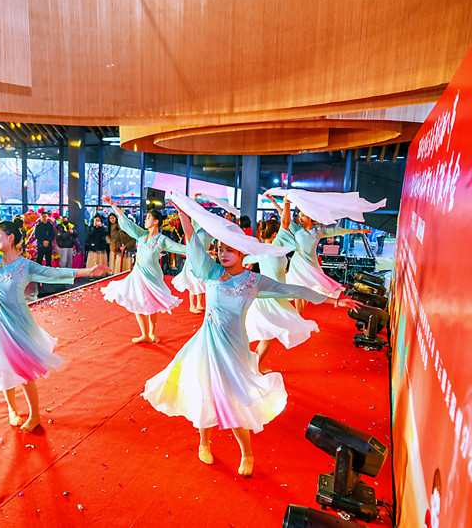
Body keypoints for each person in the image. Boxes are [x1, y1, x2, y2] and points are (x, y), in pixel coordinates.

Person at [142, 196, 362, 476]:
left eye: (229, 250)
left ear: (242, 253)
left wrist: (334, 301)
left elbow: (294, 290)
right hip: (206, 347)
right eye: (220, 249)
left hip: (235, 350)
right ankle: (204, 443)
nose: (222, 254)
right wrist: (184, 215)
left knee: (235, 402)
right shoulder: (211, 272)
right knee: (206, 395)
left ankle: (246, 453)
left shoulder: (253, 282)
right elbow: (193, 243)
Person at [0, 194, 108, 432]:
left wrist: (88, 270)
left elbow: (54, 273)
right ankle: (12, 409)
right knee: (2, 365)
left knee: (23, 369)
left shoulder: (26, 266)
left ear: (10, 237)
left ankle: (35, 415)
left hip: (18, 323)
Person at [101, 196, 186, 343]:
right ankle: (144, 334)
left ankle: (152, 333)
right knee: (137, 301)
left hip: (153, 276)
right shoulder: (141, 234)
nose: (146, 220)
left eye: (148, 218)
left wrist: (203, 252)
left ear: (156, 221)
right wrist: (113, 205)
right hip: (138, 274)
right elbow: (126, 222)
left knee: (152, 303)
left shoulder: (162, 240)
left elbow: (181, 248)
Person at [270, 195, 371, 314]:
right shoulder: (297, 229)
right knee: (298, 290)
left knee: (307, 290)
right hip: (297, 263)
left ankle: (300, 315)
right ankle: (299, 316)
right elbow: (283, 214)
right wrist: (274, 202)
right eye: (299, 216)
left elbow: (337, 231)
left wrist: (359, 231)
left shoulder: (319, 231)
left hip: (311, 265)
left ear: (310, 217)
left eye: (303, 216)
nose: (300, 219)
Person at [242, 215, 319, 373]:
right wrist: (286, 204)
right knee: (266, 334)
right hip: (270, 296)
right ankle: (252, 367)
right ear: (276, 235)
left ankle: (251, 365)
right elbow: (285, 223)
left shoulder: (264, 249)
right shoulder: (273, 248)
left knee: (264, 333)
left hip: (267, 294)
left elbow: (245, 260)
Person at [171, 224, 210, 314]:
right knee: (193, 282)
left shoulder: (207, 231)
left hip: (203, 260)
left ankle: (199, 304)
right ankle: (192, 305)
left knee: (201, 281)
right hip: (193, 260)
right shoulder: (195, 229)